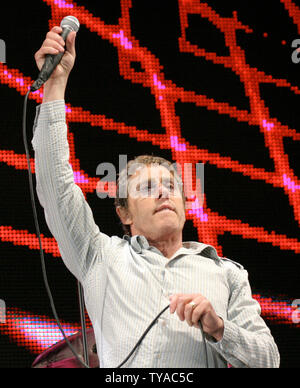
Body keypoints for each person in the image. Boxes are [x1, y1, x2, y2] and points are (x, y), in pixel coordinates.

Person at [32, 26, 280, 368]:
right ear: (124, 214)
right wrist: (55, 85)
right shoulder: (98, 257)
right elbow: (55, 184)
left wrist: (219, 328)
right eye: (147, 188)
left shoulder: (228, 275)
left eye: (171, 186)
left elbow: (269, 361)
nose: (164, 192)